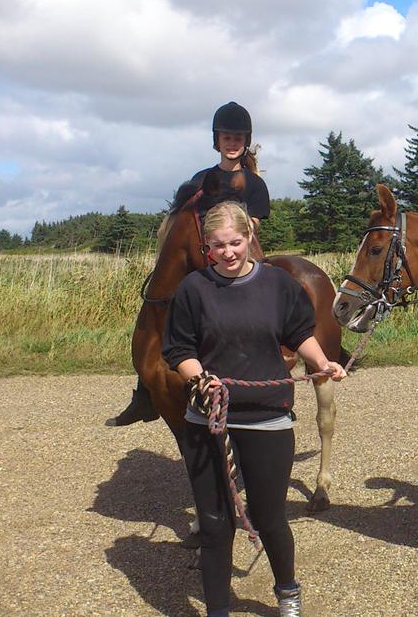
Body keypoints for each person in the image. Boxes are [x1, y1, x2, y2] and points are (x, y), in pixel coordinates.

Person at [164, 200, 346, 617]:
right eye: (217, 245)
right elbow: (179, 348)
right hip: (208, 419)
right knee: (214, 524)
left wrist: (322, 363)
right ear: (206, 247)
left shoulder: (279, 285)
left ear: (249, 238)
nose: (228, 252)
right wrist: (199, 380)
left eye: (235, 242)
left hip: (268, 419)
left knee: (269, 518)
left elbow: (299, 332)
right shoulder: (193, 290)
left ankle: (288, 592)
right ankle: (217, 610)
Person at [108, 101, 272, 426]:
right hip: (200, 249)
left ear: (245, 140)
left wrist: (229, 240)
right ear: (217, 140)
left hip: (238, 247)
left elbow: (253, 224)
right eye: (226, 136)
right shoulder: (201, 178)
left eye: (238, 137)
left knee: (264, 297)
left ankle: (268, 390)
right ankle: (145, 391)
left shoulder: (254, 185)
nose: (232, 142)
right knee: (160, 304)